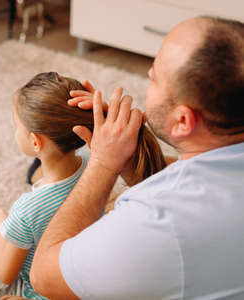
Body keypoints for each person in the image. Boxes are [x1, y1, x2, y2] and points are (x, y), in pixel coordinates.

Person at [29, 16, 244, 299]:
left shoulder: (158, 224)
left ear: (182, 121)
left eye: (155, 78)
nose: (147, 74)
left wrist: (103, 164)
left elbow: (44, 276)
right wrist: (135, 158)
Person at [0, 72, 167, 300]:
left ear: (35, 142)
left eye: (16, 126)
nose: (15, 131)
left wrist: (4, 225)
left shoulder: (27, 209)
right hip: (83, 275)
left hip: (41, 290)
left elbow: (4, 274)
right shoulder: (93, 163)